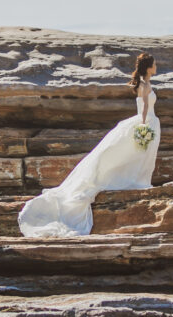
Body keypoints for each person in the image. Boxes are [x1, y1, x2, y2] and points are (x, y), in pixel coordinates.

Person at [17, 53, 160, 237]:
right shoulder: (145, 84)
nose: (156, 67)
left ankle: (140, 181)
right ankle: (137, 182)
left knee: (142, 155)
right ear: (149, 67)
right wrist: (143, 126)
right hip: (146, 122)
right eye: (155, 65)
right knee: (139, 153)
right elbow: (144, 106)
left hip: (148, 121)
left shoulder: (143, 83)